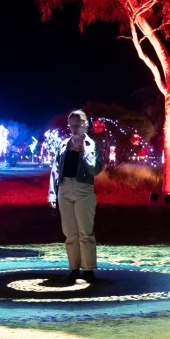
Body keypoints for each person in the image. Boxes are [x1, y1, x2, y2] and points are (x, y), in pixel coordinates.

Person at [47, 109, 104, 282]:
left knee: (85, 231)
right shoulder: (63, 144)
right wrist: (52, 194)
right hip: (64, 188)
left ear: (85, 124)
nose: (74, 128)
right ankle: (74, 268)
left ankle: (88, 269)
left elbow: (95, 169)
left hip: (83, 189)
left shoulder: (91, 144)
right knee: (70, 232)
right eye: (71, 125)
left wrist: (82, 152)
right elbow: (55, 169)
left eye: (77, 124)